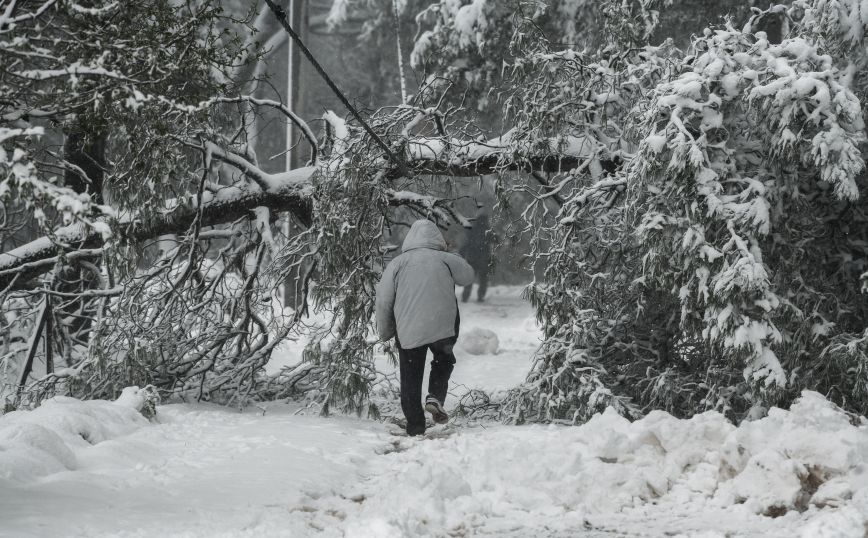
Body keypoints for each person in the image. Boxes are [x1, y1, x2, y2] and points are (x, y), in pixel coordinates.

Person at [375, 219, 475, 436]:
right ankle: (435, 396)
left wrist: (385, 331)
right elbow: (468, 276)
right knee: (444, 358)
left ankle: (415, 426)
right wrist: (452, 253)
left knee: (411, 375)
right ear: (437, 238)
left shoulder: (397, 263)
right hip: (443, 326)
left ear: (410, 239)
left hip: (409, 328)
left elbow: (383, 301)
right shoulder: (445, 259)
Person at [459, 213, 492, 302]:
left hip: (472, 258)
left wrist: (461, 253)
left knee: (470, 278)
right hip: (484, 259)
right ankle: (480, 296)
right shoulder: (488, 231)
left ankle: (465, 296)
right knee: (483, 279)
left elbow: (467, 243)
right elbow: (495, 240)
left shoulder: (472, 230)